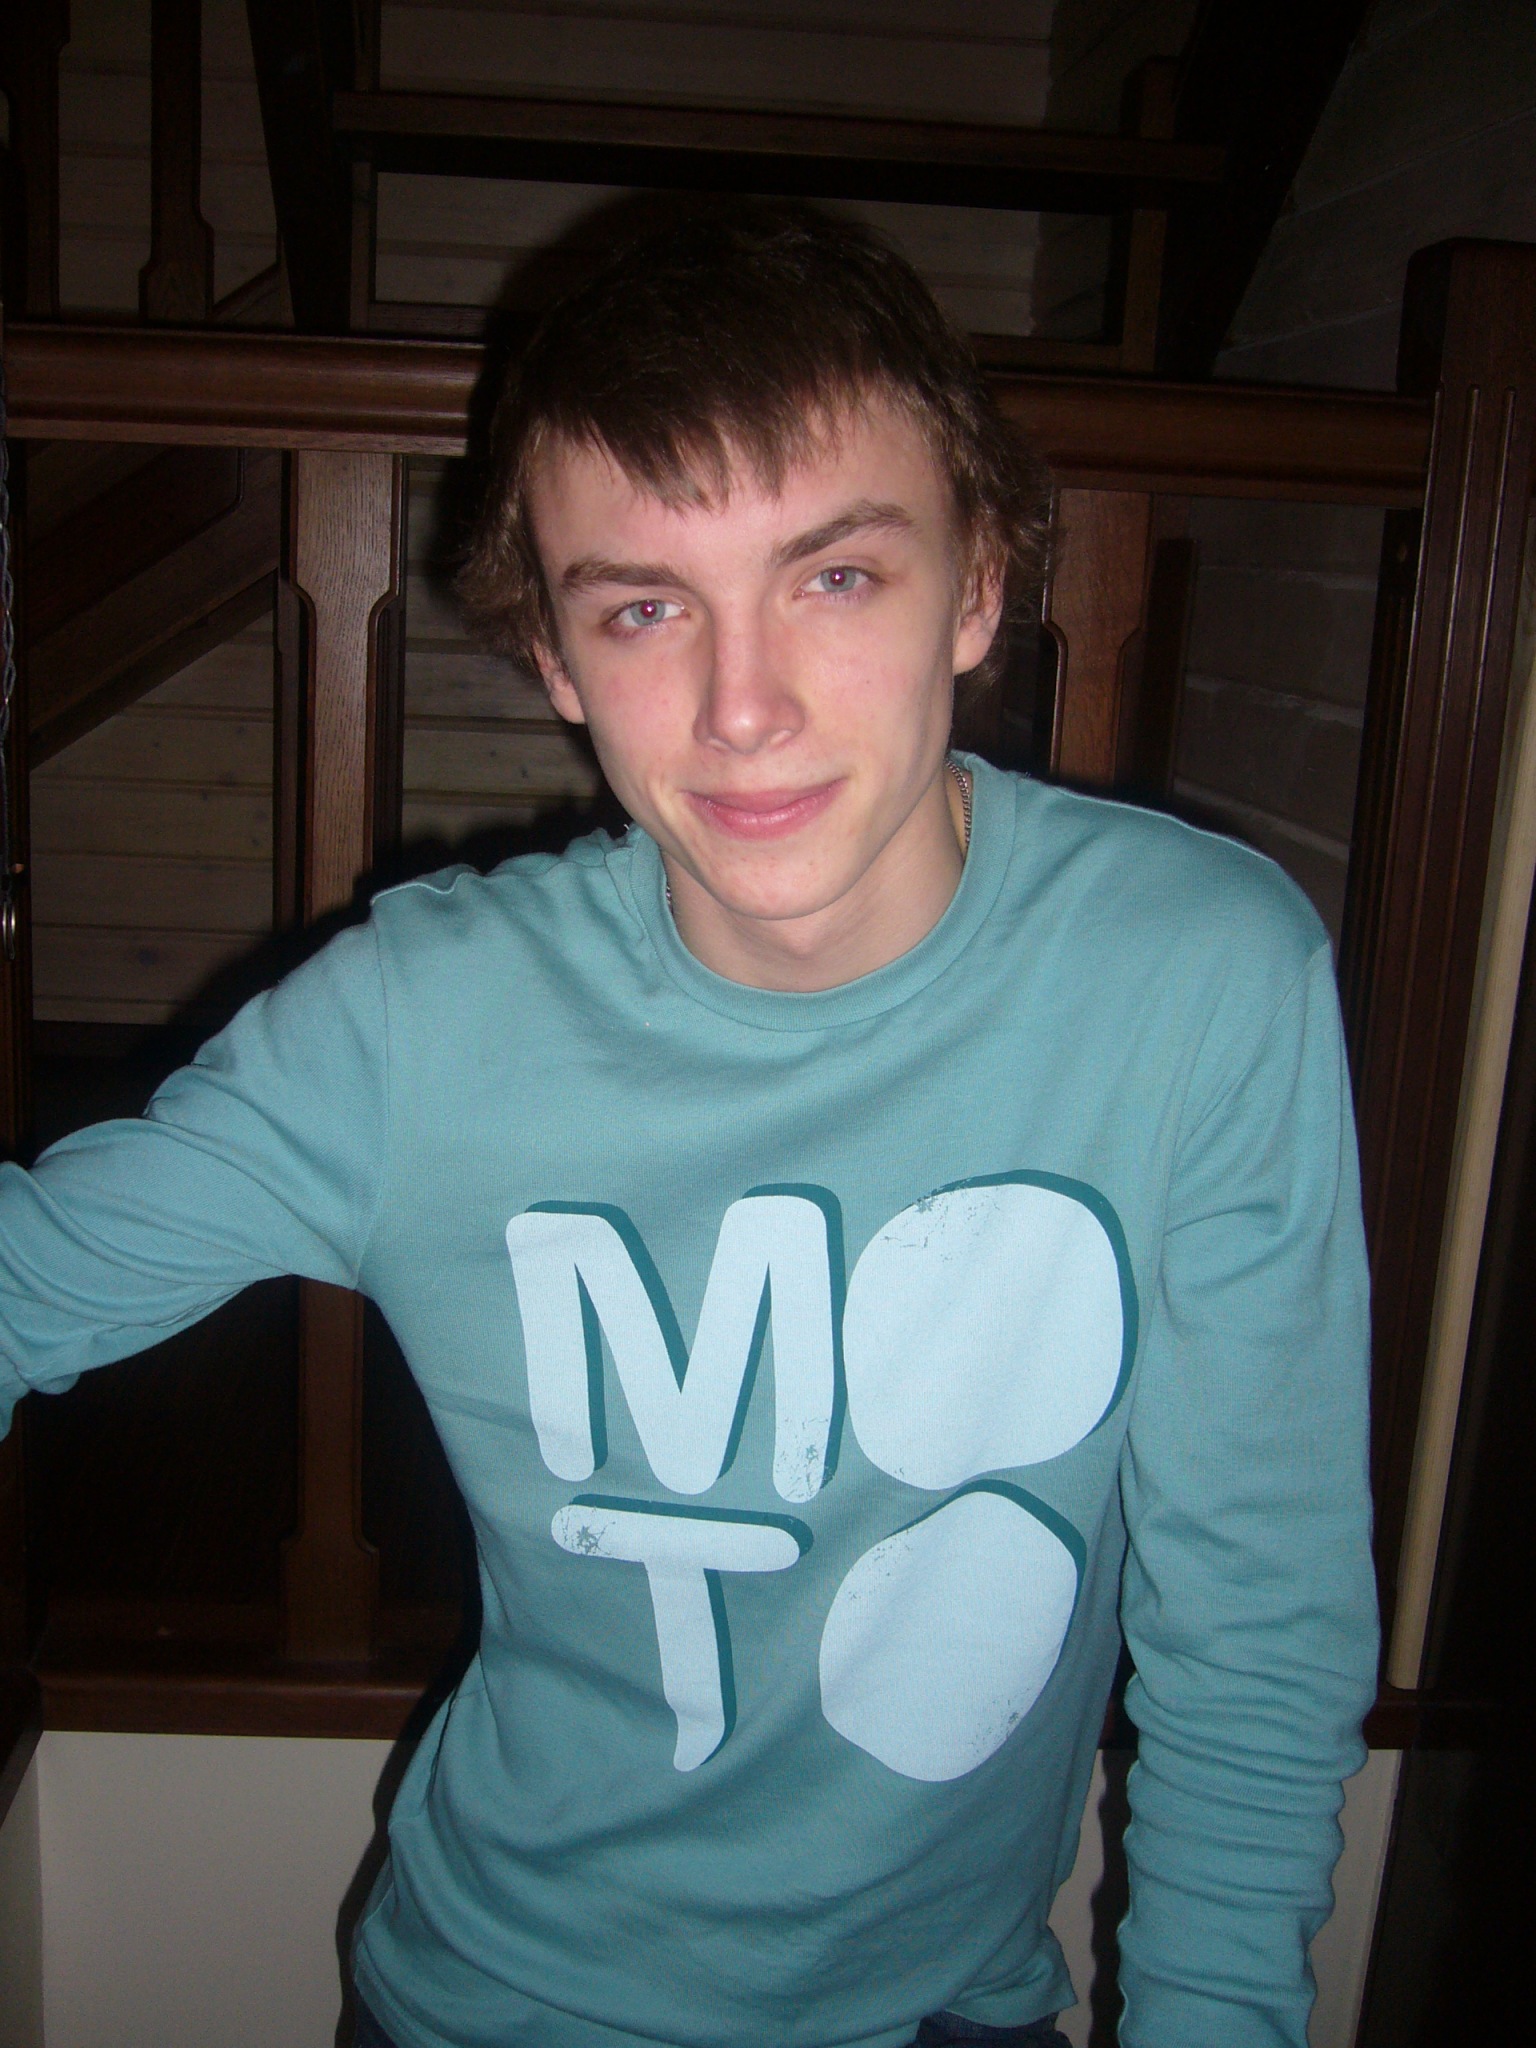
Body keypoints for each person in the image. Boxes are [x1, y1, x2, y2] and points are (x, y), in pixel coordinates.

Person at [0, 205, 1376, 2048]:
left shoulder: (1200, 978)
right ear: (557, 662)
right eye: (645, 608)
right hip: (494, 2004)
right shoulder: (416, 1025)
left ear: (979, 588)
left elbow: (1256, 1643)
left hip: (949, 2012)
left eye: (836, 576)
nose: (743, 708)